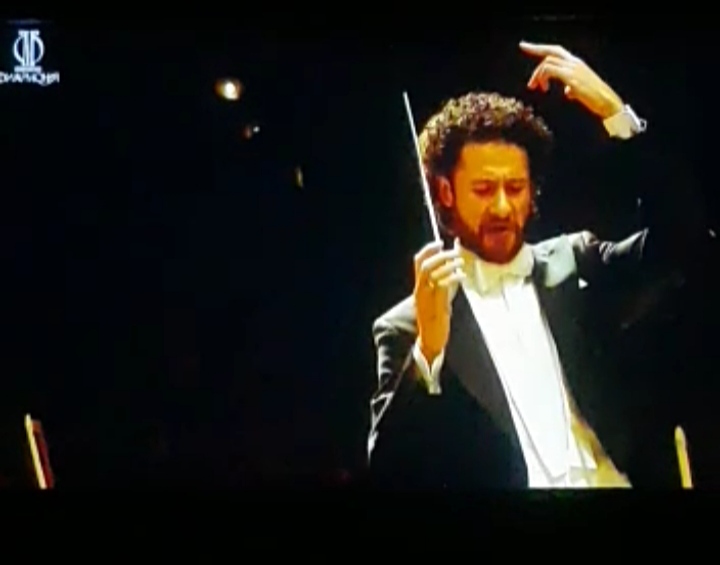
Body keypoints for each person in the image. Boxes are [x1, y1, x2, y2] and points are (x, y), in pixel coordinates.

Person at [367, 41, 709, 489]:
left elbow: (687, 241)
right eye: (484, 189)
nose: (503, 207)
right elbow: (389, 469)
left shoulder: (577, 260)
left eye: (515, 188)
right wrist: (427, 354)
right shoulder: (406, 324)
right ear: (446, 193)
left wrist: (617, 115)